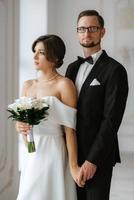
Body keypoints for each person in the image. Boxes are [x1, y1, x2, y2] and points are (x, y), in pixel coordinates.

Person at [66, 10, 129, 200]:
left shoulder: (115, 70)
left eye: (92, 28)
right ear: (77, 32)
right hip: (69, 155)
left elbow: (111, 120)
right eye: (82, 29)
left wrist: (93, 160)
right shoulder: (72, 68)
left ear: (103, 32)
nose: (87, 33)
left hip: (98, 157)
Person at [15, 34, 82, 200]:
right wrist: (20, 126)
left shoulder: (64, 84)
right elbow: (23, 126)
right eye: (34, 51)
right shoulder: (27, 85)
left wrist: (74, 166)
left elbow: (70, 131)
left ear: (54, 56)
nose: (35, 56)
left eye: (41, 52)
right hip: (32, 152)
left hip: (53, 151)